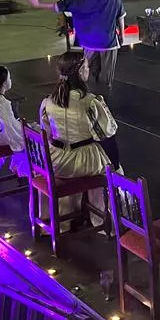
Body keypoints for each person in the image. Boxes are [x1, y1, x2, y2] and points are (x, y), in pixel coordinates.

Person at [39, 52, 121, 225]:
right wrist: (115, 163)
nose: (88, 70)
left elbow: (46, 132)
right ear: (80, 72)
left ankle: (64, 217)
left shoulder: (49, 101)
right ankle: (103, 217)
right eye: (86, 67)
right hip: (83, 160)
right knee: (114, 170)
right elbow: (107, 132)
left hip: (55, 161)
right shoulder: (89, 102)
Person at [26, 0, 125, 99]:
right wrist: (122, 36)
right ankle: (103, 101)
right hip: (109, 42)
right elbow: (120, 17)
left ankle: (88, 99)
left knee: (87, 73)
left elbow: (57, 7)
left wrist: (38, 4)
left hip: (88, 43)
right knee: (106, 78)